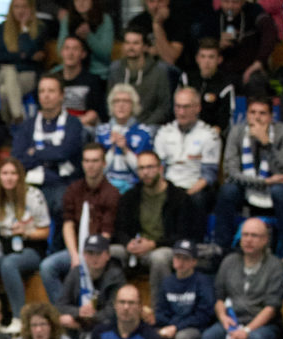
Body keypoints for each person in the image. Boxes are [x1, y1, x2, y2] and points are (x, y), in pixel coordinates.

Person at [196, 217, 283, 339]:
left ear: (265, 240)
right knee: (208, 337)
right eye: (245, 235)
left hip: (264, 325)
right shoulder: (229, 261)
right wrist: (223, 318)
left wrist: (247, 330)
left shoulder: (275, 265)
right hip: (232, 320)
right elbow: (219, 298)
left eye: (254, 235)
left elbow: (271, 308)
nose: (248, 240)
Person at [212, 97, 283, 257]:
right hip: (246, 186)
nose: (257, 118)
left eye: (262, 113)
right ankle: (222, 249)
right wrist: (264, 182)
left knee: (280, 192)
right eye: (252, 112)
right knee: (227, 191)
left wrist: (267, 144)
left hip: (275, 188)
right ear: (246, 115)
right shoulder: (237, 132)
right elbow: (231, 172)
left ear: (271, 117)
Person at [38, 143, 119, 305]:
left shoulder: (112, 193)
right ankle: (63, 310)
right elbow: (67, 224)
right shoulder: (73, 189)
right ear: (82, 163)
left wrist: (92, 257)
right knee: (47, 266)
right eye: (87, 161)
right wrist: (75, 255)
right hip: (76, 248)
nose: (90, 165)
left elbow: (107, 231)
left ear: (103, 163)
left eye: (95, 161)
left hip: (100, 249)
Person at [0, 158, 50, 331]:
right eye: (5, 173)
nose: (9, 178)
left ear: (20, 176)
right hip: (3, 247)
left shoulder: (34, 195)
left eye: (13, 173)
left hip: (31, 247)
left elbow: (45, 231)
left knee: (9, 264)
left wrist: (26, 232)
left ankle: (19, 318)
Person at [112, 151, 202, 293]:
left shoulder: (178, 197)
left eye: (150, 167)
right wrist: (128, 243)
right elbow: (119, 229)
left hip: (163, 247)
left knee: (159, 258)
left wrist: (153, 244)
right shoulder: (130, 196)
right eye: (141, 168)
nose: (145, 172)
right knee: (108, 252)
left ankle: (160, 304)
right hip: (135, 247)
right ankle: (115, 302)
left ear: (160, 169)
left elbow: (183, 235)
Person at [13, 75, 84, 237]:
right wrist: (52, 154)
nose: (46, 95)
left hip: (63, 182)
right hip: (33, 182)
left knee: (61, 202)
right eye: (42, 91)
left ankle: (57, 247)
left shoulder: (73, 124)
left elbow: (64, 152)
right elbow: (18, 158)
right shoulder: (27, 126)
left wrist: (35, 152)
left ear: (61, 95)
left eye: (51, 91)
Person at [153, 239, 215, 339]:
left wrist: (176, 327)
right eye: (177, 257)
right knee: (147, 334)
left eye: (185, 258)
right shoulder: (167, 282)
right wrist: (168, 326)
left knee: (182, 338)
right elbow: (160, 311)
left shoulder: (202, 281)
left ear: (194, 262)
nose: (180, 262)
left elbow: (204, 315)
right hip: (172, 326)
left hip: (196, 328)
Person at [153, 87, 222, 216]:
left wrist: (185, 195)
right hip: (169, 186)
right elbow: (159, 169)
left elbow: (209, 176)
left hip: (195, 187)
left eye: (186, 107)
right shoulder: (164, 132)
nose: (181, 112)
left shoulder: (209, 135)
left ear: (197, 108)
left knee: (196, 200)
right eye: (178, 107)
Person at [56, 233, 126, 339]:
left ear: (107, 255)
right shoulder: (76, 273)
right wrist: (78, 312)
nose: (94, 258)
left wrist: (87, 320)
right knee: (64, 320)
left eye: (98, 253)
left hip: (106, 330)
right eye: (90, 253)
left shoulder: (116, 276)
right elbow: (60, 305)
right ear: (84, 255)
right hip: (79, 326)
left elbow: (114, 310)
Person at [204, 0, 275, 97]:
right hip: (223, 71)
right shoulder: (213, 18)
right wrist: (217, 45)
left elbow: (270, 32)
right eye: (226, 2)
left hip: (250, 69)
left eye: (235, 2)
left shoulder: (253, 11)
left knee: (256, 81)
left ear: (243, 2)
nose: (230, 6)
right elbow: (204, 47)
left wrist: (259, 62)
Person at [106, 27, 171, 128]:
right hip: (120, 123)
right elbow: (110, 101)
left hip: (149, 125)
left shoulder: (159, 71)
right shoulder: (115, 69)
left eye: (135, 43)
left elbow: (163, 107)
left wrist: (142, 127)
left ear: (145, 47)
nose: (131, 47)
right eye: (127, 43)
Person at [0, 0, 44, 126]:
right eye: (16, 7)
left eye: (24, 7)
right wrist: (24, 56)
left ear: (31, 8)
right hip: (4, 73)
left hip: (27, 75)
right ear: (11, 9)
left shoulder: (40, 28)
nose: (20, 11)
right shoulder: (3, 27)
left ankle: (8, 124)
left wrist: (24, 29)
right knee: (9, 70)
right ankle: (18, 115)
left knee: (4, 91)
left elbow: (30, 50)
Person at [97, 84, 154, 194]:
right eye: (117, 101)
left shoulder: (144, 133)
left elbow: (144, 171)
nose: (121, 105)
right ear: (111, 105)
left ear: (134, 105)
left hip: (134, 188)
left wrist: (125, 149)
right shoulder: (102, 131)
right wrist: (113, 148)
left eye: (126, 101)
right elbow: (97, 171)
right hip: (105, 188)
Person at [181, 38, 236, 137]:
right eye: (203, 56)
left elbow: (224, 121)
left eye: (211, 57)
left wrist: (206, 136)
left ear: (219, 60)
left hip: (211, 135)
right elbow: (176, 109)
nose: (206, 61)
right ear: (197, 59)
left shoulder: (225, 86)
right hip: (184, 131)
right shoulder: (186, 79)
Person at [53, 35, 106, 130]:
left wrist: (72, 125)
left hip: (83, 128)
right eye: (67, 48)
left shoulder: (93, 81)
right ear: (61, 52)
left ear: (83, 54)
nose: (70, 53)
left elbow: (95, 115)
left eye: (75, 49)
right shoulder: (53, 80)